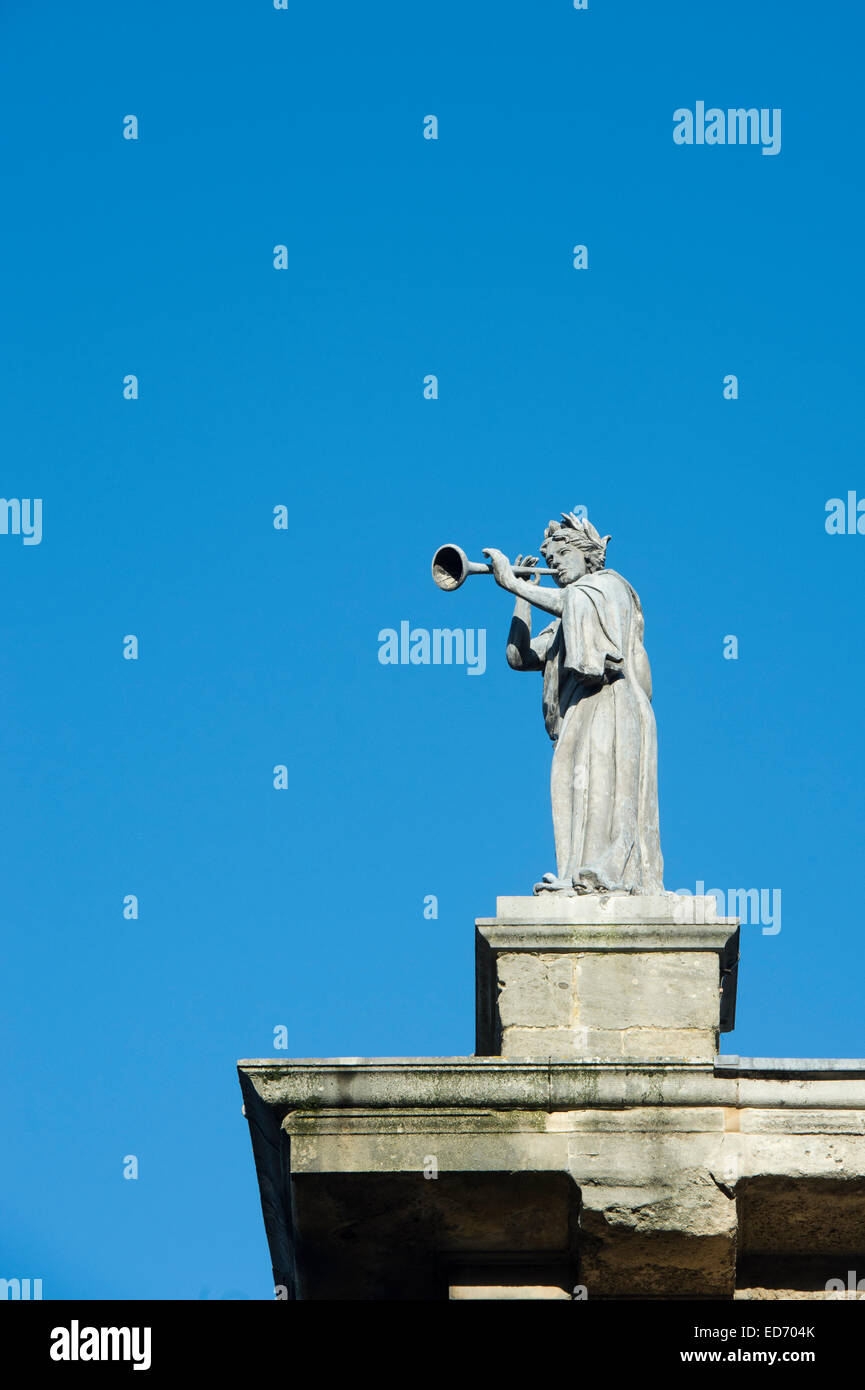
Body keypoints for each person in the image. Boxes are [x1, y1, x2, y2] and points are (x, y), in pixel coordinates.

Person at [483, 513, 664, 895]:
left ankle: (604, 873)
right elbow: (520, 657)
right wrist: (522, 599)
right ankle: (577, 872)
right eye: (552, 561)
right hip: (581, 711)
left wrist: (512, 582)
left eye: (564, 553)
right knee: (578, 789)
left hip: (613, 703)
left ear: (588, 556)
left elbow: (571, 602)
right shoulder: (570, 612)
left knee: (605, 785)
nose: (557, 564)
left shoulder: (606, 587)